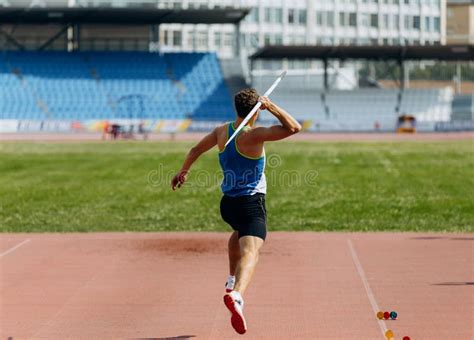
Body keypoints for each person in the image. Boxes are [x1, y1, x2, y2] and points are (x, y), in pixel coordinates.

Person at [171, 88, 301, 334]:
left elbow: (195, 150)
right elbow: (294, 127)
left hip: (228, 205)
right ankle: (238, 296)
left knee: (239, 234)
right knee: (251, 251)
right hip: (250, 203)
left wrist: (183, 172)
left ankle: (231, 281)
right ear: (256, 111)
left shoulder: (222, 131)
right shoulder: (253, 135)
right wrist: (271, 106)